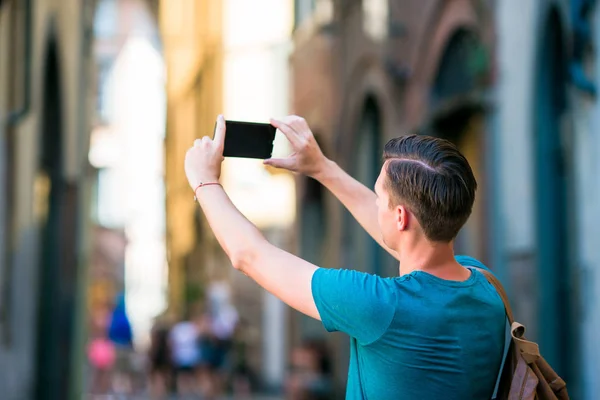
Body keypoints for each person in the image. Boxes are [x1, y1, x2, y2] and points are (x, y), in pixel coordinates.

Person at [184, 115, 505, 399]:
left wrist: (205, 182)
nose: (374, 203)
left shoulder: (381, 305)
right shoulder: (486, 287)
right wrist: (321, 168)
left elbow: (249, 255)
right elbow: (403, 238)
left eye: (379, 196)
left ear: (400, 218)